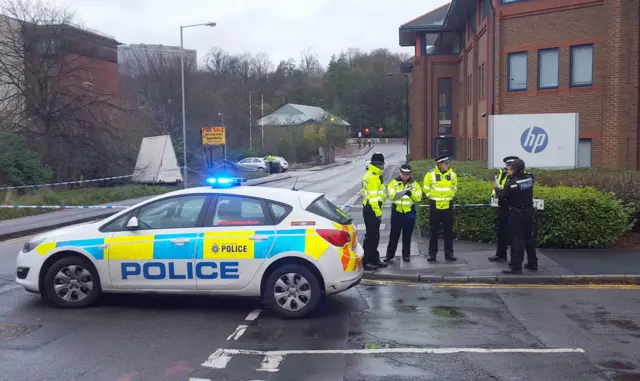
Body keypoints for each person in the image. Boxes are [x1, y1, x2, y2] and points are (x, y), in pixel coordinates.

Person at [493, 158, 538, 274]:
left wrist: (497, 190)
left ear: (515, 169)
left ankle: (516, 266)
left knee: (518, 240)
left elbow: (502, 195)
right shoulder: (529, 179)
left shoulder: (512, 183)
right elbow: (531, 178)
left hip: (517, 213)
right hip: (529, 211)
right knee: (529, 238)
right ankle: (533, 263)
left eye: (511, 168)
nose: (509, 170)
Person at [384, 164, 422, 263]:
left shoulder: (414, 184)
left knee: (407, 235)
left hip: (409, 212)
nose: (405, 176)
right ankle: (389, 255)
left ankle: (406, 255)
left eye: (407, 174)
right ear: (400, 173)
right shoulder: (394, 183)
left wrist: (411, 194)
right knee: (394, 235)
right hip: (397, 211)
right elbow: (391, 196)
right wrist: (400, 193)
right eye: (404, 173)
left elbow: (418, 197)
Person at [423, 154, 458, 261]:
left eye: (448, 163)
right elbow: (425, 188)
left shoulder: (452, 174)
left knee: (448, 232)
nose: (448, 165)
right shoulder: (430, 174)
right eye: (446, 163)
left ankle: (449, 254)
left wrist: (450, 196)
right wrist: (432, 198)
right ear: (439, 164)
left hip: (447, 206)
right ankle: (432, 254)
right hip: (435, 206)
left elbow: (454, 188)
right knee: (434, 232)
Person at [488, 156, 519, 263]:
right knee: (501, 232)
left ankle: (514, 259)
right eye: (506, 166)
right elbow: (497, 186)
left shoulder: (517, 176)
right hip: (503, 206)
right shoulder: (502, 174)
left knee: (513, 234)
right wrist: (495, 194)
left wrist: (499, 192)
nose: (507, 168)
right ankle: (501, 255)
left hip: (512, 207)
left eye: (509, 166)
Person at [361, 152, 388, 269]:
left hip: (371, 209)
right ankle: (366, 261)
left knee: (374, 236)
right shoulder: (373, 177)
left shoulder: (375, 175)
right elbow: (373, 198)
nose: (383, 166)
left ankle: (374, 258)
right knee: (371, 237)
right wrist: (378, 213)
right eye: (382, 164)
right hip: (372, 210)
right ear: (378, 164)